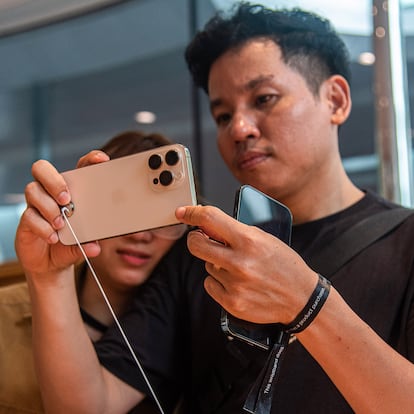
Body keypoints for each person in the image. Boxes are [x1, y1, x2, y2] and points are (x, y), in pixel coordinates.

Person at [14, 2, 414, 413]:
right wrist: (49, 278)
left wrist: (308, 304)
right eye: (223, 115)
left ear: (335, 99)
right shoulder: (199, 251)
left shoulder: (404, 243)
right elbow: (88, 405)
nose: (239, 128)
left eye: (265, 98)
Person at [2, 130, 187, 413]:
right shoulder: (6, 314)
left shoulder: (186, 327)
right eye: (124, 209)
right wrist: (48, 275)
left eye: (160, 217)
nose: (141, 235)